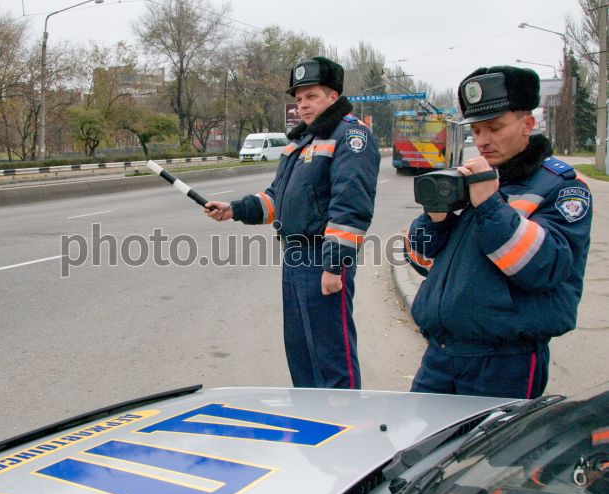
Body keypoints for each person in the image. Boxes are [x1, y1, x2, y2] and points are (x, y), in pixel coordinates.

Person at [404, 66, 592, 399]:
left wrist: (490, 204)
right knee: (419, 433)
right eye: (476, 130)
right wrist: (435, 220)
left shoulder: (562, 186)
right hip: (441, 353)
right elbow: (420, 260)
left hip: (505, 360)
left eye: (494, 128)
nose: (482, 141)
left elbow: (546, 269)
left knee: (497, 438)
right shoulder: (478, 178)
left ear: (527, 124)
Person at [205, 56, 380, 389]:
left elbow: (350, 208)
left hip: (322, 258)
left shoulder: (350, 136)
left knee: (331, 354)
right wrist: (234, 209)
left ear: (333, 96)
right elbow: (278, 199)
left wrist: (334, 267)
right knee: (301, 352)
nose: (303, 105)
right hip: (295, 257)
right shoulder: (302, 141)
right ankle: (310, 416)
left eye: (311, 96)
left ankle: (344, 418)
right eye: (299, 99)